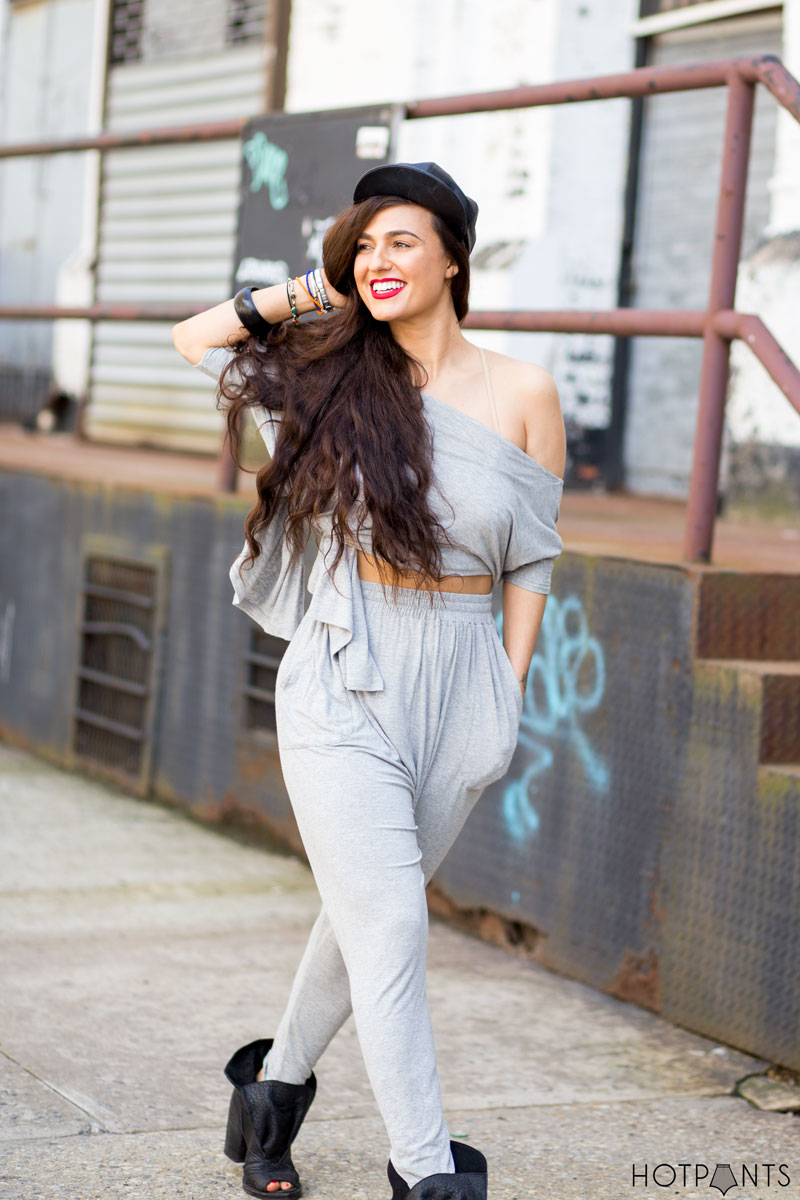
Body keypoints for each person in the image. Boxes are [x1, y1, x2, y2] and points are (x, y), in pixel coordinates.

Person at [172, 161, 566, 1200]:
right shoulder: (334, 380)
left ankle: (270, 1095)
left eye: (403, 241)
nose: (379, 260)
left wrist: (508, 687)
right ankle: (426, 1171)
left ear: (452, 256)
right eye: (364, 244)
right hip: (345, 668)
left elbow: (531, 553)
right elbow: (195, 340)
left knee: (359, 920)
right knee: (391, 922)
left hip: (462, 676)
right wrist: (315, 291)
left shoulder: (524, 392)